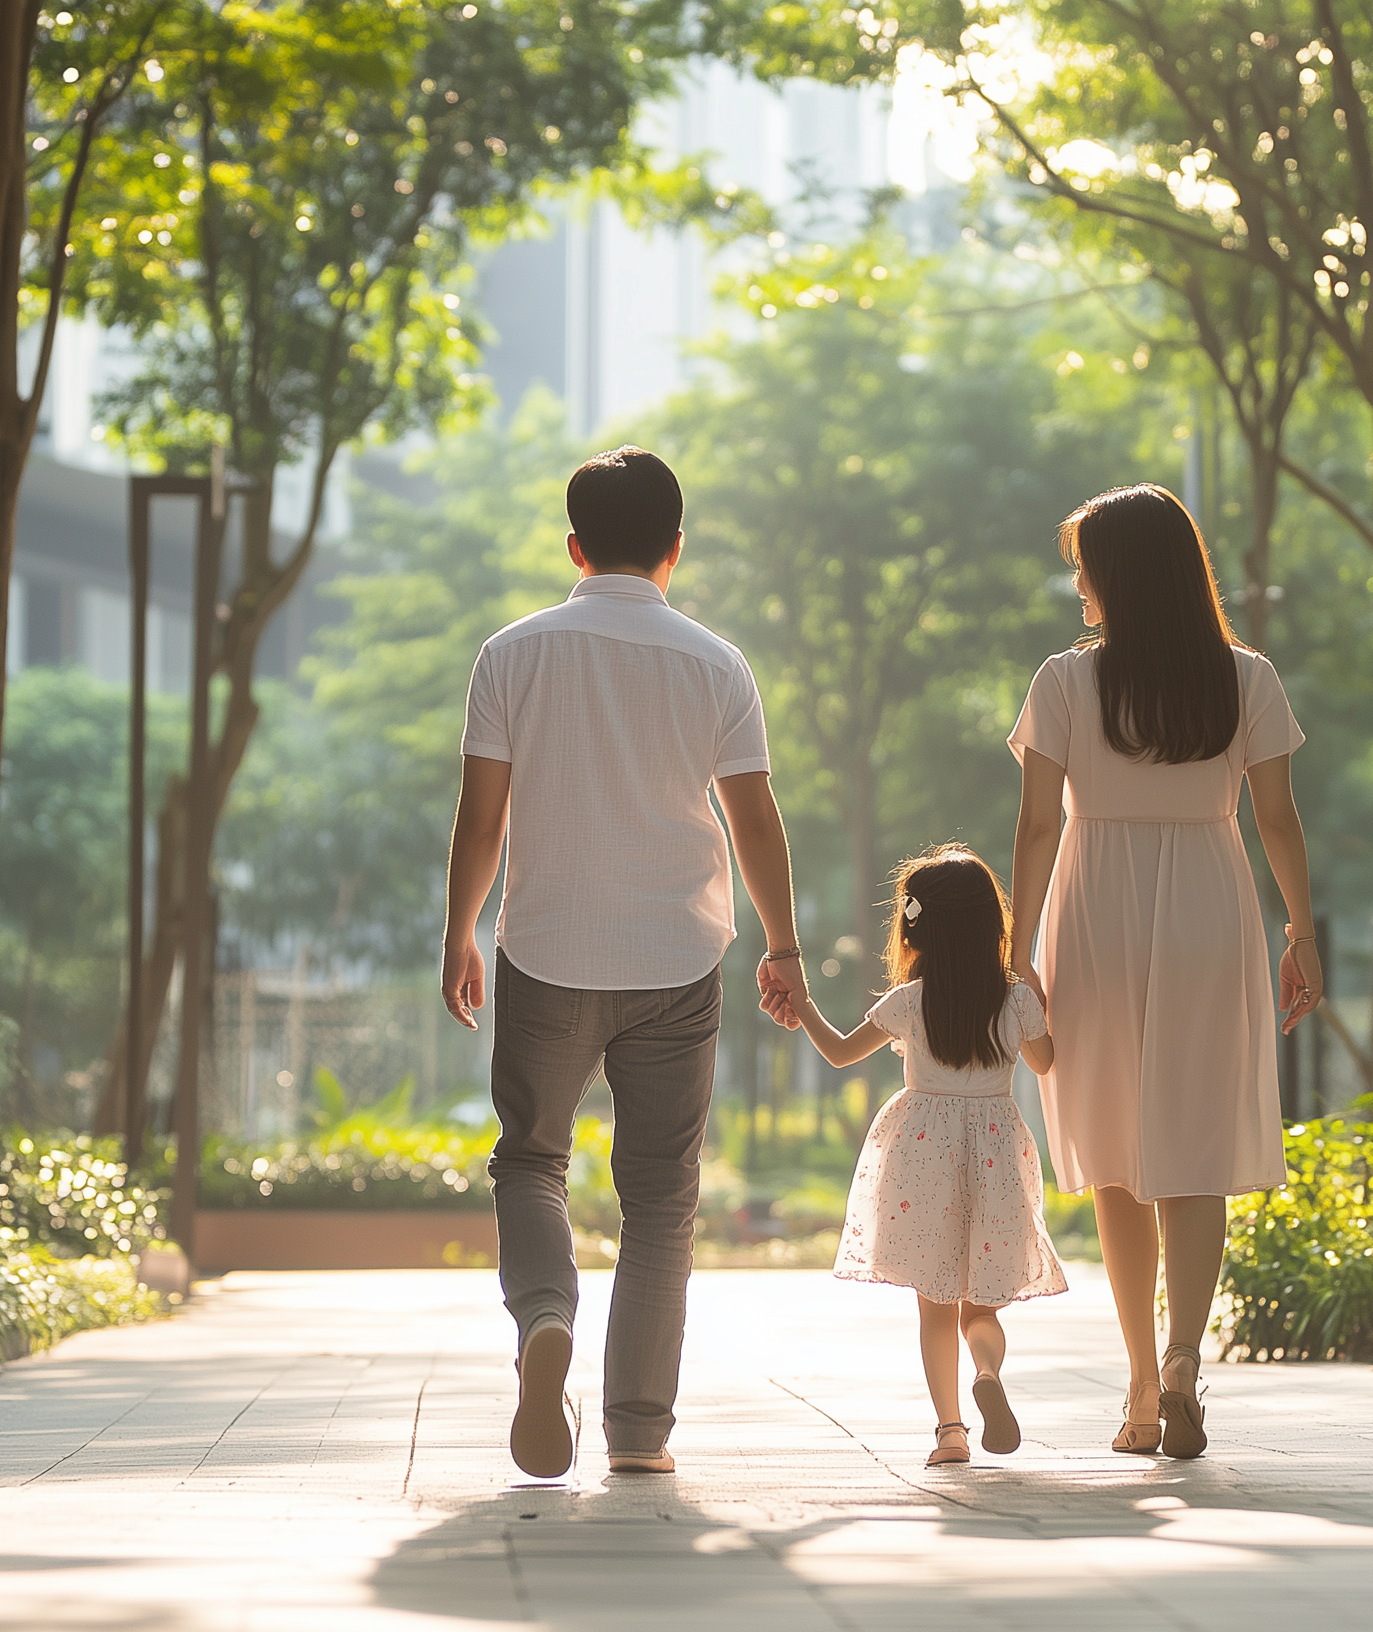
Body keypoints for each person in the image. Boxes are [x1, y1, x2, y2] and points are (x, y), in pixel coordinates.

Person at [441, 445, 806, 1481]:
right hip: (676, 958)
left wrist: (458, 929)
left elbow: (480, 820)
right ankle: (639, 1431)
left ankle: (544, 1321)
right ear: (673, 551)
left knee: (530, 1160)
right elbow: (755, 823)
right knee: (658, 1198)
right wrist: (782, 947)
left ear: (572, 546)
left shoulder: (509, 654)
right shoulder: (715, 663)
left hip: (546, 948)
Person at [1005, 483, 1322, 1461]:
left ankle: (1141, 1390)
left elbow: (1034, 825)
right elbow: (1275, 818)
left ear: (1113, 575)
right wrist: (1300, 933)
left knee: (1111, 1157)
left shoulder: (1063, 682)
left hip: (1092, 902)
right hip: (1209, 904)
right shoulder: (1245, 678)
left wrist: (1016, 957)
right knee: (1190, 1149)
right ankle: (1184, 1359)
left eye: (1083, 564)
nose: (1076, 583)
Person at [789, 846, 1066, 1468]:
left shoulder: (908, 1002)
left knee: (934, 1305)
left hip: (923, 1158)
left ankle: (951, 1432)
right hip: (995, 1154)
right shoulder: (1015, 999)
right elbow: (1047, 1063)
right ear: (994, 925)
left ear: (919, 929)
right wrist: (1042, 1004)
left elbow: (837, 1053)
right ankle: (988, 1374)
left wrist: (802, 1002)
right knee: (982, 1305)